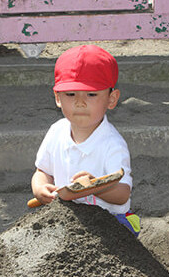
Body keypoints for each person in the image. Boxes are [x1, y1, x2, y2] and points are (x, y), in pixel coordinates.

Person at [31, 45, 140, 237]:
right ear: (57, 97)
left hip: (110, 220)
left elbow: (122, 193)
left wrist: (94, 187)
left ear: (111, 99)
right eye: (71, 94)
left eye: (91, 94)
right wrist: (40, 189)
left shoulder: (112, 144)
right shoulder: (56, 132)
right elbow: (42, 171)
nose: (80, 102)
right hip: (67, 216)